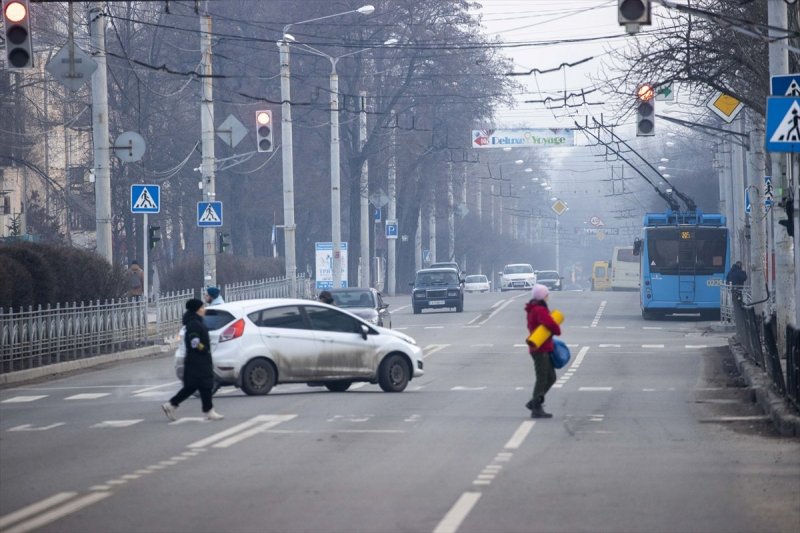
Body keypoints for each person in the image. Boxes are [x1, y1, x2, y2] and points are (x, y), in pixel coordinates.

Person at [162, 298, 224, 421]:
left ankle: (171, 405)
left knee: (193, 386)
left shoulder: (195, 321)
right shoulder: (194, 324)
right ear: (196, 310)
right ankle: (209, 411)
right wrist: (204, 349)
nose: (203, 310)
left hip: (195, 360)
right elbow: (194, 341)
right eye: (201, 308)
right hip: (198, 361)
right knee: (205, 385)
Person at [524, 283, 561, 419]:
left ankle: (534, 402)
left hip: (542, 346)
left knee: (550, 377)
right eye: (547, 295)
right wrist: (556, 328)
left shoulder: (535, 307)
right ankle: (536, 406)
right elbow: (549, 323)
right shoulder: (539, 309)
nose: (548, 297)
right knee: (542, 377)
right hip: (540, 348)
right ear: (542, 296)